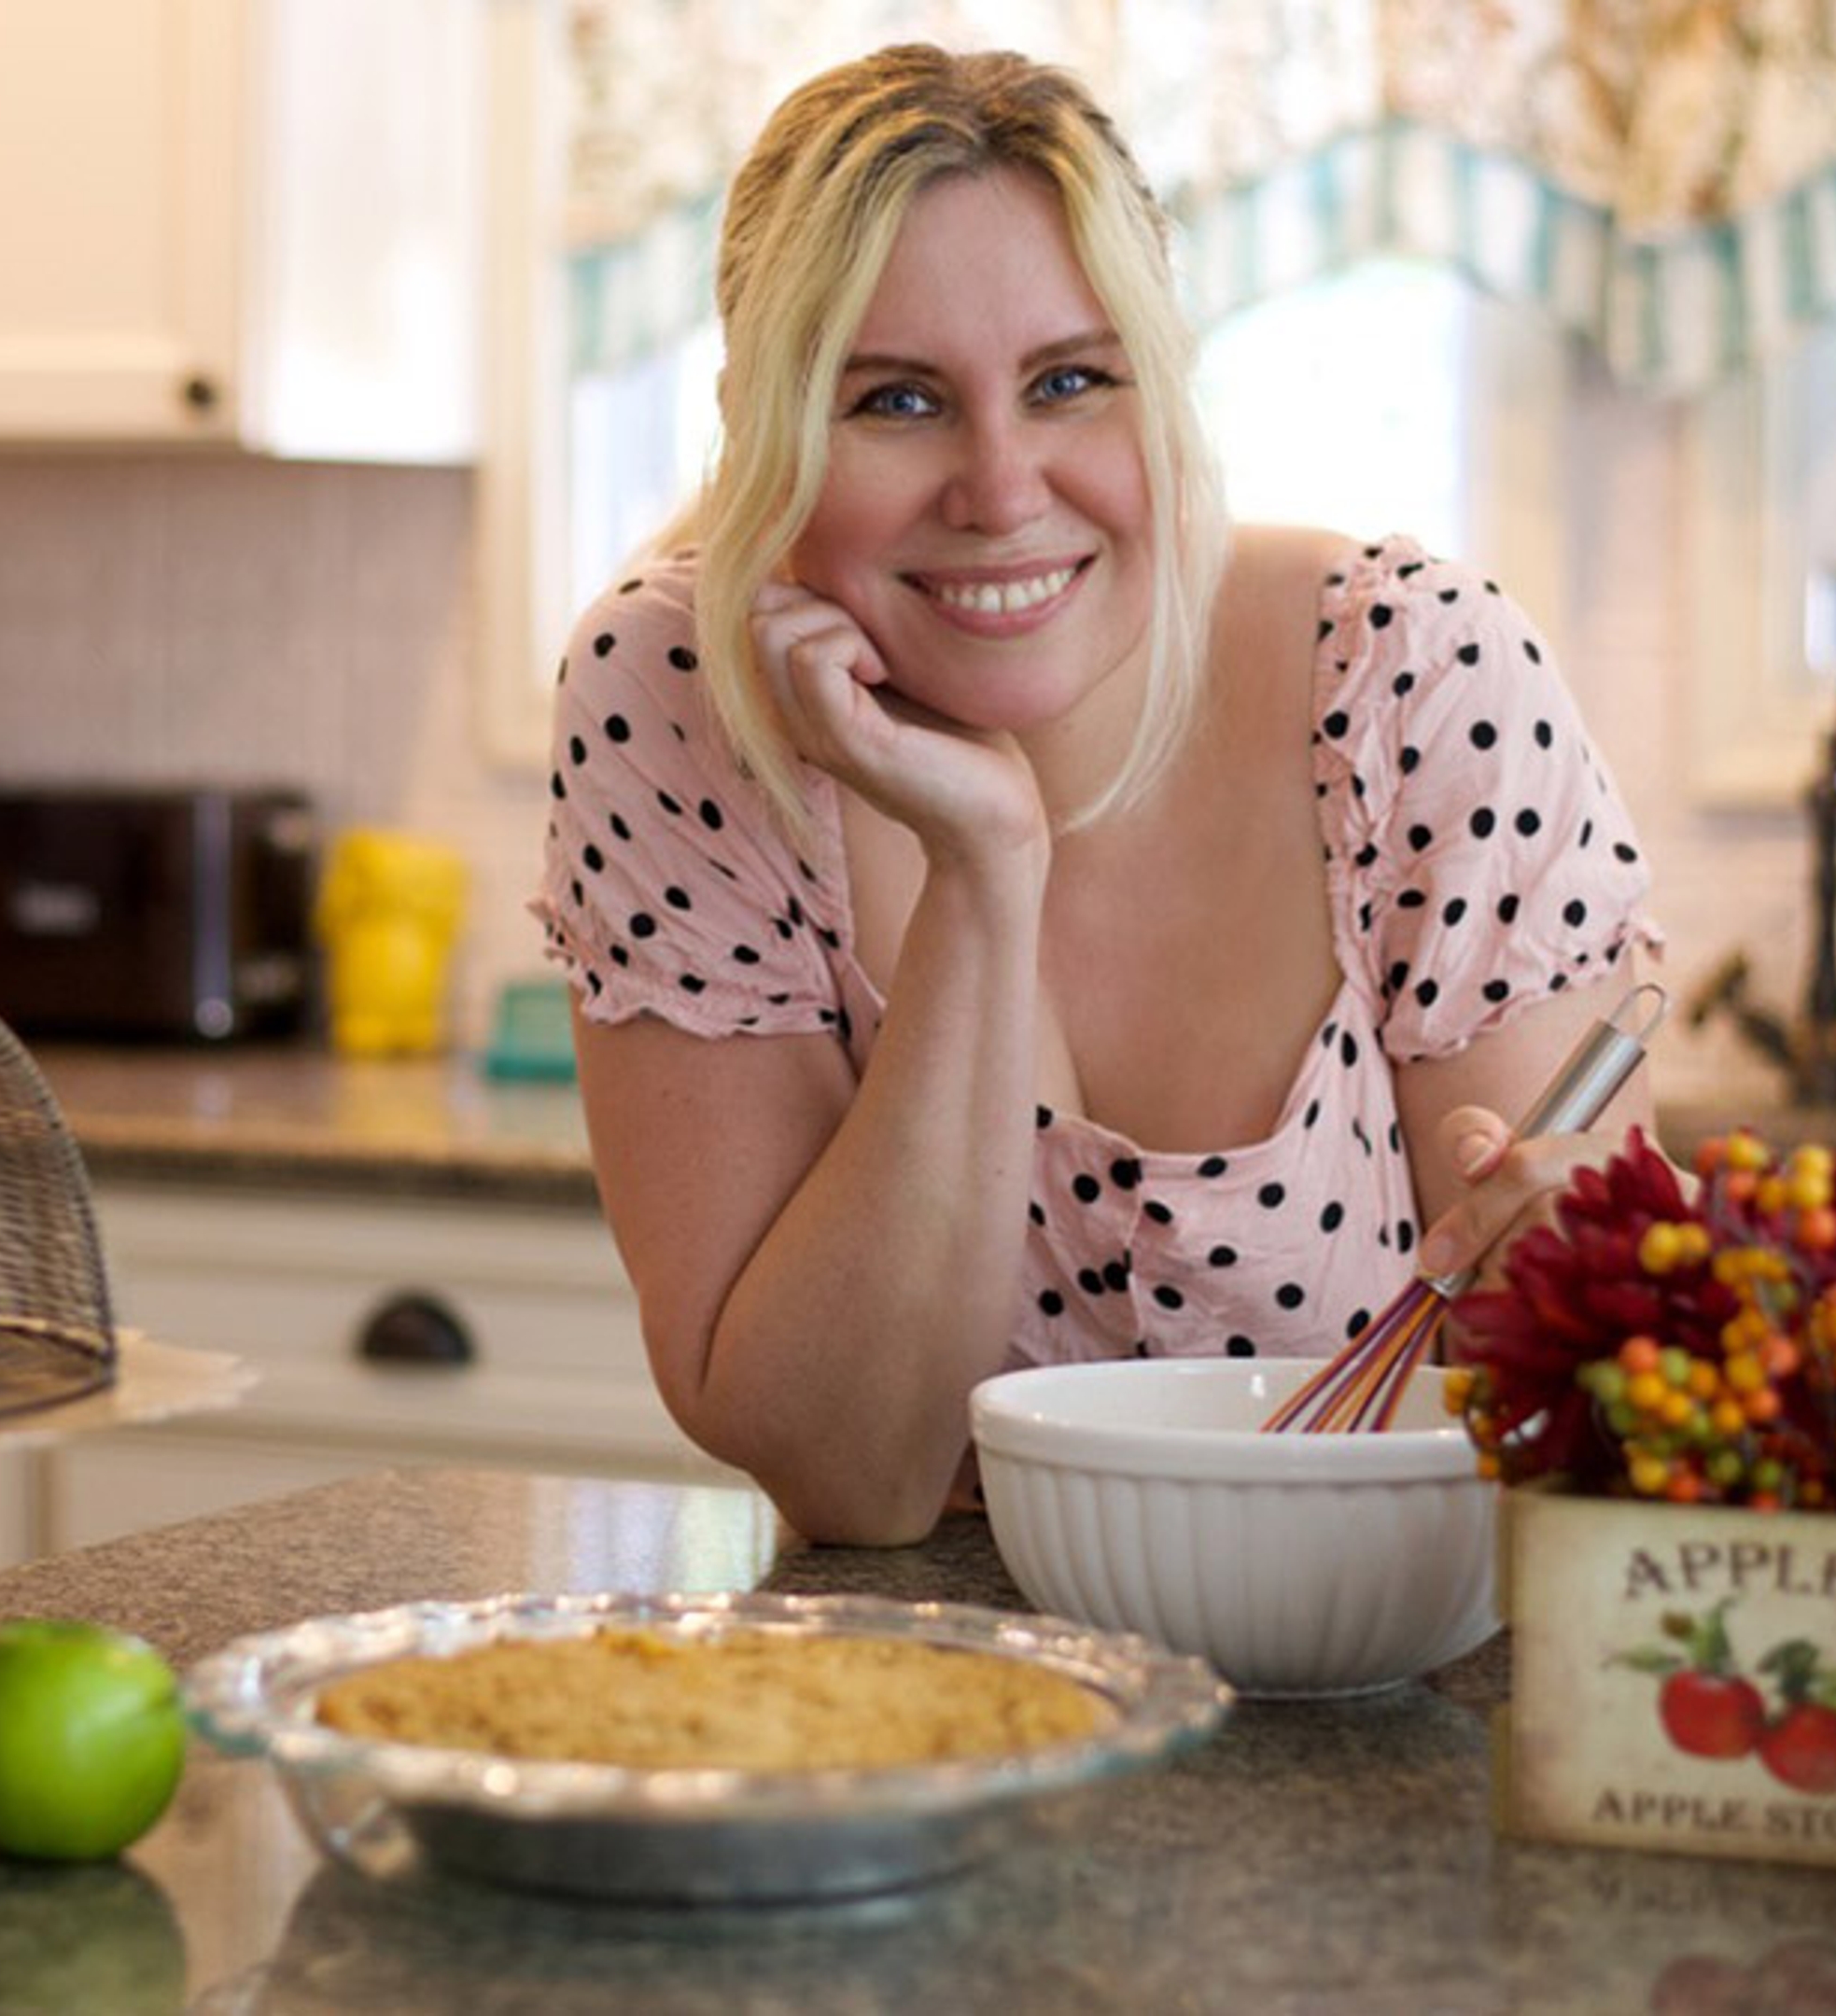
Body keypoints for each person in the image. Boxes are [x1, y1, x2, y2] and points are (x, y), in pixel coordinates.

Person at [531, 44, 1665, 1547]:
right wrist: (985, 871)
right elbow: (855, 1475)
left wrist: (1609, 1299)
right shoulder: (678, 703)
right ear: (759, 425)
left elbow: (1570, 1412)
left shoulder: (1413, 680)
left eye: (1070, 381)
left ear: (1162, 387)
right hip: (900, 1715)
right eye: (895, 400)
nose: (1001, 488)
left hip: (1372, 1680)